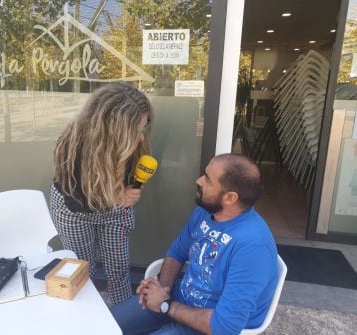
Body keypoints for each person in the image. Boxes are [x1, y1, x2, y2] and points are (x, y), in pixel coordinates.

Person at [111, 153, 278, 334]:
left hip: (208, 325)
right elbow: (177, 251)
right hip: (178, 300)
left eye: (207, 179)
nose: (199, 181)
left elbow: (224, 327)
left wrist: (166, 305)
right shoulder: (206, 213)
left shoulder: (253, 248)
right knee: (102, 324)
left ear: (230, 198)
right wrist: (163, 287)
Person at [50, 83, 153, 305]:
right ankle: (87, 318)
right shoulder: (72, 144)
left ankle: (122, 319)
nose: (142, 138)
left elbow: (129, 179)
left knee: (119, 268)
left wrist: (131, 187)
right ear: (114, 129)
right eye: (137, 131)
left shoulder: (133, 143)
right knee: (82, 268)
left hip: (115, 211)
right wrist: (116, 197)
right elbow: (75, 200)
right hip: (74, 211)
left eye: (144, 129)